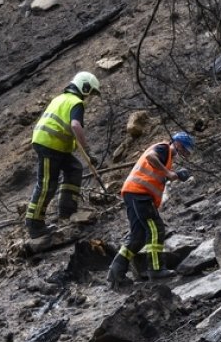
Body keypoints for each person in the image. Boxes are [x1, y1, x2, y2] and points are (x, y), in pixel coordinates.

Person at [106, 131, 195, 289]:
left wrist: (174, 175)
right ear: (179, 144)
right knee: (156, 229)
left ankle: (115, 273)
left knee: (138, 236)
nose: (186, 154)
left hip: (136, 194)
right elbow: (150, 158)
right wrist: (168, 173)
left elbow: (157, 175)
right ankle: (156, 269)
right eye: (186, 150)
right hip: (138, 194)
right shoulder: (163, 149)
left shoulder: (167, 158)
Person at [24, 71, 101, 239]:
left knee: (74, 168)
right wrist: (87, 150)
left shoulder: (60, 99)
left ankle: (67, 210)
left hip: (55, 145)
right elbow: (75, 125)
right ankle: (34, 224)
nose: (91, 97)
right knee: (47, 184)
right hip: (49, 144)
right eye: (92, 92)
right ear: (85, 88)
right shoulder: (76, 102)